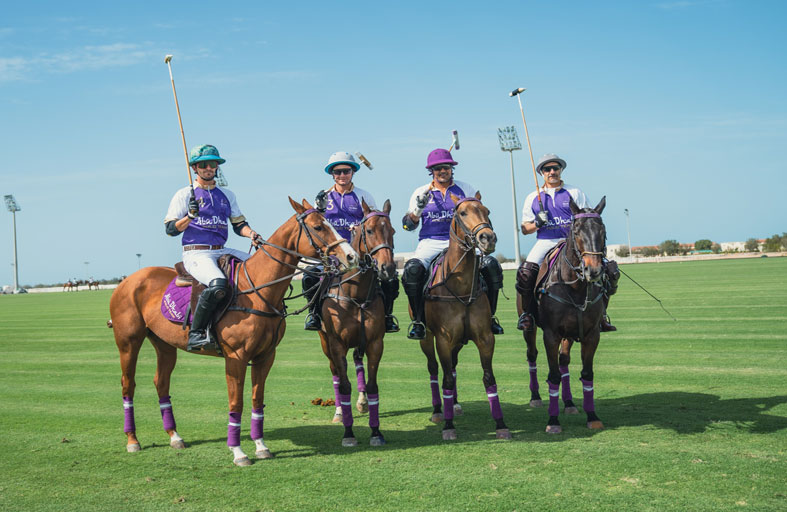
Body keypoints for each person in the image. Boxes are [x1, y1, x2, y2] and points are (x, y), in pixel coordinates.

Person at [164, 144, 263, 351]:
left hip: (221, 249)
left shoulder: (227, 195)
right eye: (203, 165)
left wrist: (251, 234)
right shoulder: (184, 195)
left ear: (217, 167)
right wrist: (189, 216)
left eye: (213, 164)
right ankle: (197, 333)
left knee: (262, 266)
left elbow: (238, 225)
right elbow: (171, 229)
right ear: (195, 168)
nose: (209, 168)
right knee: (218, 283)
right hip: (196, 252)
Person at [400, 148, 505, 340]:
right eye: (438, 168)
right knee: (412, 271)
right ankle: (419, 321)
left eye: (446, 167)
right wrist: (417, 209)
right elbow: (408, 226)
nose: (442, 171)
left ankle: (491, 317)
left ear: (451, 169)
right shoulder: (420, 192)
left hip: (464, 244)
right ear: (431, 171)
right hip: (431, 242)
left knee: (491, 266)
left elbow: (480, 214)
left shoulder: (466, 189)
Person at [516, 153, 619, 332]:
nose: (552, 171)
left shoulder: (575, 192)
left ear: (561, 170)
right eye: (547, 169)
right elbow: (525, 229)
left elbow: (589, 218)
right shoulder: (534, 197)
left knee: (607, 271)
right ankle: (528, 315)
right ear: (541, 173)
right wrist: (537, 223)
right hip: (546, 241)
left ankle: (601, 315)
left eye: (556, 168)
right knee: (526, 273)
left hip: (573, 243)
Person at [302, 151, 400, 332]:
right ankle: (314, 314)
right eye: (337, 172)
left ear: (352, 172)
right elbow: (315, 224)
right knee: (309, 275)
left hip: (359, 252)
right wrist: (319, 208)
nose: (342, 175)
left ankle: (387, 317)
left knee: (390, 279)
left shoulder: (364, 196)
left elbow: (376, 223)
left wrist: (359, 229)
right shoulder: (324, 196)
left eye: (346, 171)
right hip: (332, 252)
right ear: (332, 174)